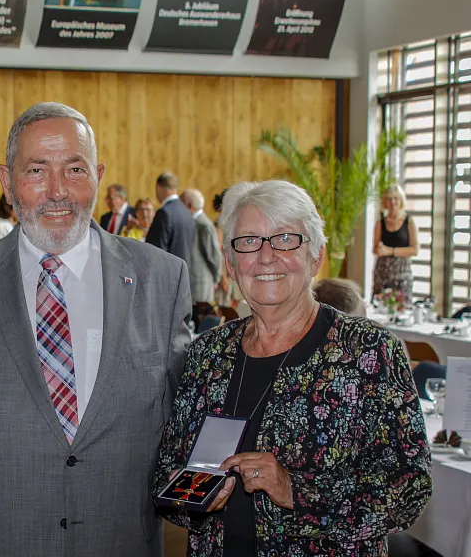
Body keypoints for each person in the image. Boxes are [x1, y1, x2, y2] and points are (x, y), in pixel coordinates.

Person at [0, 102, 193, 556]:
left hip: (120, 543)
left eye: (74, 169)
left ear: (96, 174)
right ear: (7, 181)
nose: (57, 191)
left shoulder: (162, 278)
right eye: (36, 170)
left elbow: (186, 410)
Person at [153, 180, 431, 556]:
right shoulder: (207, 354)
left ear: (315, 256)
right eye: (249, 241)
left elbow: (409, 487)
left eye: (285, 239)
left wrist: (296, 491)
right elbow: (169, 466)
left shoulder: (368, 350)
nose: (266, 257)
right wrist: (188, 495)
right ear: (232, 264)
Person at [146, 172, 198, 299]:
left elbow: (155, 251)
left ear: (158, 187)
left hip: (166, 283)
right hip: (185, 281)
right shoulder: (187, 213)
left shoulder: (164, 213)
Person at [372, 184, 419, 301]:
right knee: (380, 309)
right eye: (389, 199)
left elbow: (415, 250)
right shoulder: (380, 223)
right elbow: (375, 249)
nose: (393, 202)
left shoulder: (409, 222)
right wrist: (379, 249)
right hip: (382, 274)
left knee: (403, 309)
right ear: (385, 202)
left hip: (402, 275)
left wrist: (390, 251)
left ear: (401, 200)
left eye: (396, 198)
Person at [180, 188, 222, 308]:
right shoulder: (193, 222)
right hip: (194, 284)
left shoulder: (204, 225)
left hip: (201, 285)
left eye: (181, 202)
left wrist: (216, 278)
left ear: (189, 205)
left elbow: (214, 255)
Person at [212, 189, 242, 310]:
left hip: (236, 268)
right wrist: (222, 276)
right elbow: (218, 252)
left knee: (236, 303)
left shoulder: (236, 221)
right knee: (224, 307)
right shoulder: (219, 224)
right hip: (225, 269)